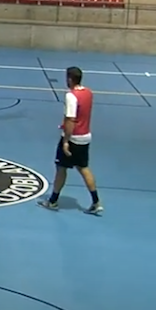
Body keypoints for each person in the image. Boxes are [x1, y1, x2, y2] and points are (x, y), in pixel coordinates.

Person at [38, 66, 103, 215]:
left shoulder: (70, 96)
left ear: (69, 79)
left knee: (61, 168)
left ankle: (53, 201)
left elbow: (71, 119)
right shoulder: (88, 93)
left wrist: (66, 141)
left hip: (73, 138)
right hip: (85, 137)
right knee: (84, 168)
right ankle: (96, 201)